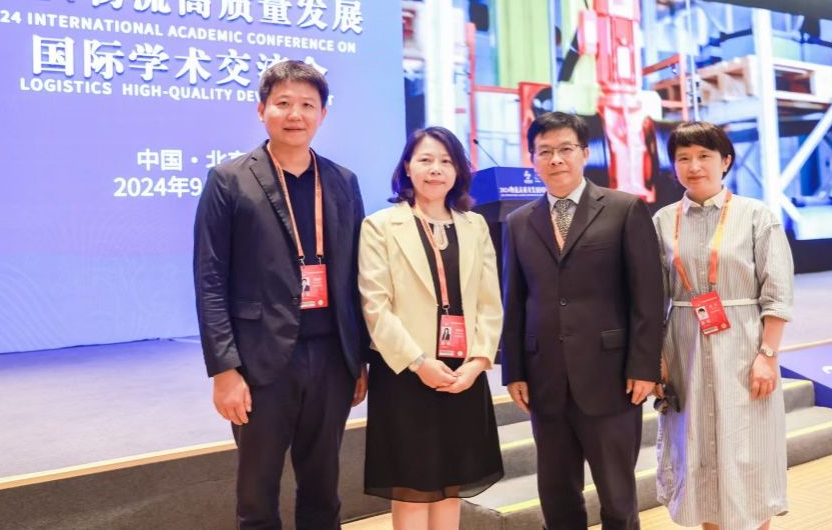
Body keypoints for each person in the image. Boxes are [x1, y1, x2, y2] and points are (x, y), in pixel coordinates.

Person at [193, 60, 369, 529]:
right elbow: (210, 281)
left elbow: (355, 276)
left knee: (323, 492)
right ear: (261, 110)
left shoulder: (342, 182)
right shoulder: (229, 180)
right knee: (257, 499)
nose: (295, 114)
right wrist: (224, 370)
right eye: (283, 103)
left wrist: (358, 359)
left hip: (332, 358)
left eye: (307, 105)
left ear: (322, 115)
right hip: (260, 362)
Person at [501, 111, 665, 529]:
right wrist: (514, 370)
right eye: (545, 151)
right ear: (533, 159)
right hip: (545, 379)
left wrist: (644, 366)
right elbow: (514, 301)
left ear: (584, 153)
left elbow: (647, 296)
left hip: (611, 377)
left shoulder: (624, 209)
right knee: (557, 498)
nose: (555, 159)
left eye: (565, 149)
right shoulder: (518, 222)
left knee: (618, 499)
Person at [359, 126, 504, 530]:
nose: (435, 169)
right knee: (412, 487)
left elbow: (490, 302)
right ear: (407, 167)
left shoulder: (475, 225)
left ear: (458, 170)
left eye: (445, 161)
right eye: (425, 160)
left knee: (451, 484)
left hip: (462, 373)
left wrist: (478, 362)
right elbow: (375, 306)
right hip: (405, 372)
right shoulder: (380, 226)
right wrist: (419, 362)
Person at [652, 120, 794, 530]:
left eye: (704, 156)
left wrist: (768, 355)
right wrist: (657, 358)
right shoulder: (662, 220)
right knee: (697, 450)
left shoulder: (756, 215)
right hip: (684, 348)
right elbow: (653, 297)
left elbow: (777, 292)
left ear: (726, 161)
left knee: (749, 449)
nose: (694, 166)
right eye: (683, 158)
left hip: (744, 346)